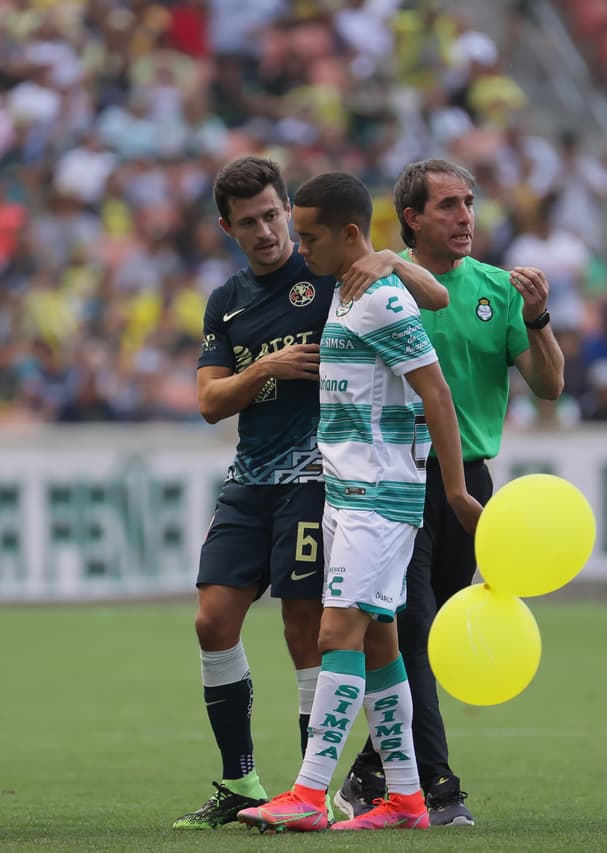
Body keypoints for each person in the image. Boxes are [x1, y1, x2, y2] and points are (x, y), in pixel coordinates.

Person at [174, 156, 449, 830]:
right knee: (215, 619)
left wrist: (388, 257)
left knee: (319, 630)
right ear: (228, 227)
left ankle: (310, 789)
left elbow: (433, 297)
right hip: (252, 474)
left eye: (274, 215)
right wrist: (264, 369)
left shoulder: (333, 268)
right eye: (251, 222)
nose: (269, 231)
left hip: (326, 480)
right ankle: (247, 780)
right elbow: (209, 400)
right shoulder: (228, 299)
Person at [237, 170, 482, 833]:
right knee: (379, 643)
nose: (299, 245)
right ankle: (404, 795)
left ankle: (309, 792)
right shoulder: (349, 290)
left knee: (333, 632)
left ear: (349, 233)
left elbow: (436, 393)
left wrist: (455, 490)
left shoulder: (379, 299)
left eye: (309, 235)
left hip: (379, 498)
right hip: (350, 494)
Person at [335, 158, 564, 827]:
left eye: (469, 202)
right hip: (400, 475)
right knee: (413, 627)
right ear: (412, 218)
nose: (466, 216)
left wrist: (541, 316)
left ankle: (371, 771)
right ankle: (437, 786)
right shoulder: (384, 282)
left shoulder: (498, 288)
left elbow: (550, 387)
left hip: (470, 484)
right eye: (448, 205)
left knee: (427, 636)